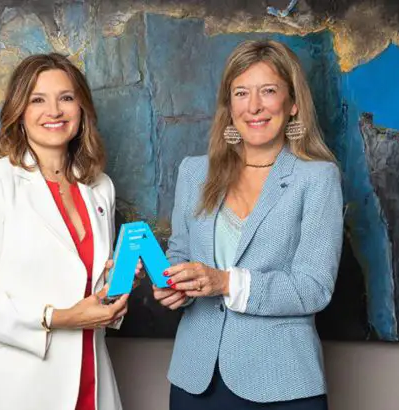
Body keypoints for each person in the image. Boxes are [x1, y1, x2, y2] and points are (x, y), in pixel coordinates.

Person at [149, 39, 344, 409]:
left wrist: (225, 282)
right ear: (229, 105)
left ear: (293, 103)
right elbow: (180, 254)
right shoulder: (194, 172)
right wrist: (176, 285)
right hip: (196, 380)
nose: (253, 106)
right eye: (241, 93)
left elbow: (314, 288)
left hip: (282, 383)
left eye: (268, 91)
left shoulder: (317, 178)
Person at [0, 53, 131, 410]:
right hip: (17, 388)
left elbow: (84, 287)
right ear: (19, 112)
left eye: (66, 98)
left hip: (91, 380)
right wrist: (57, 318)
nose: (54, 111)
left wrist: (115, 282)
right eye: (37, 100)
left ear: (81, 108)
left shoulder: (99, 187)